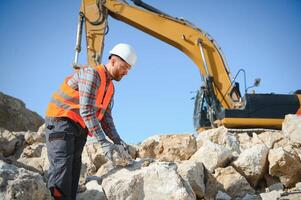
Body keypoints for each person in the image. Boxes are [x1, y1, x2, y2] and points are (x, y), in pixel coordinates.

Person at [44, 43, 137, 200]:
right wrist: (103, 142)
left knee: (73, 175)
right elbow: (86, 110)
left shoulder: (110, 88)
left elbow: (106, 119)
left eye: (129, 69)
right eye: (124, 67)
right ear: (113, 61)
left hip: (79, 128)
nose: (126, 72)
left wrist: (117, 140)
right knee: (62, 171)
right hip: (61, 122)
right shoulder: (92, 74)